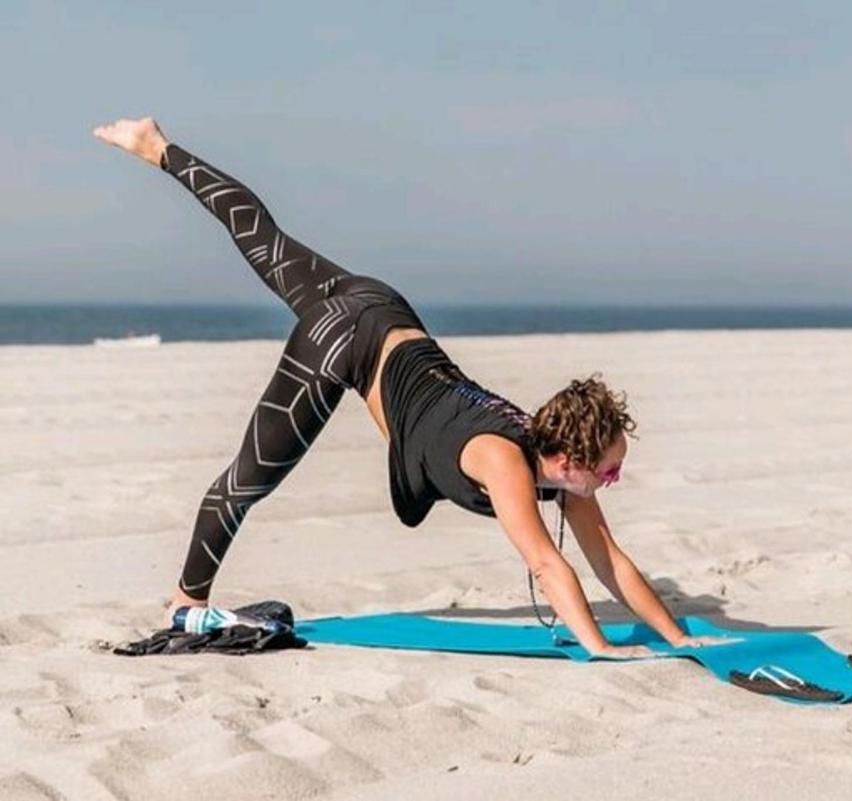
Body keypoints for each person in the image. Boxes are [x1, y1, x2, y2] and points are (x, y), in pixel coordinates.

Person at [93, 117, 723, 658]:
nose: (610, 484)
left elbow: (610, 560)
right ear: (570, 458)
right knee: (247, 481)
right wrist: (599, 646)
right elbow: (544, 561)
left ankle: (158, 146)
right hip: (347, 338)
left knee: (265, 238)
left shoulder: (559, 468)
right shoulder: (506, 459)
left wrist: (673, 634)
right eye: (609, 473)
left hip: (387, 308)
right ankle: (186, 603)